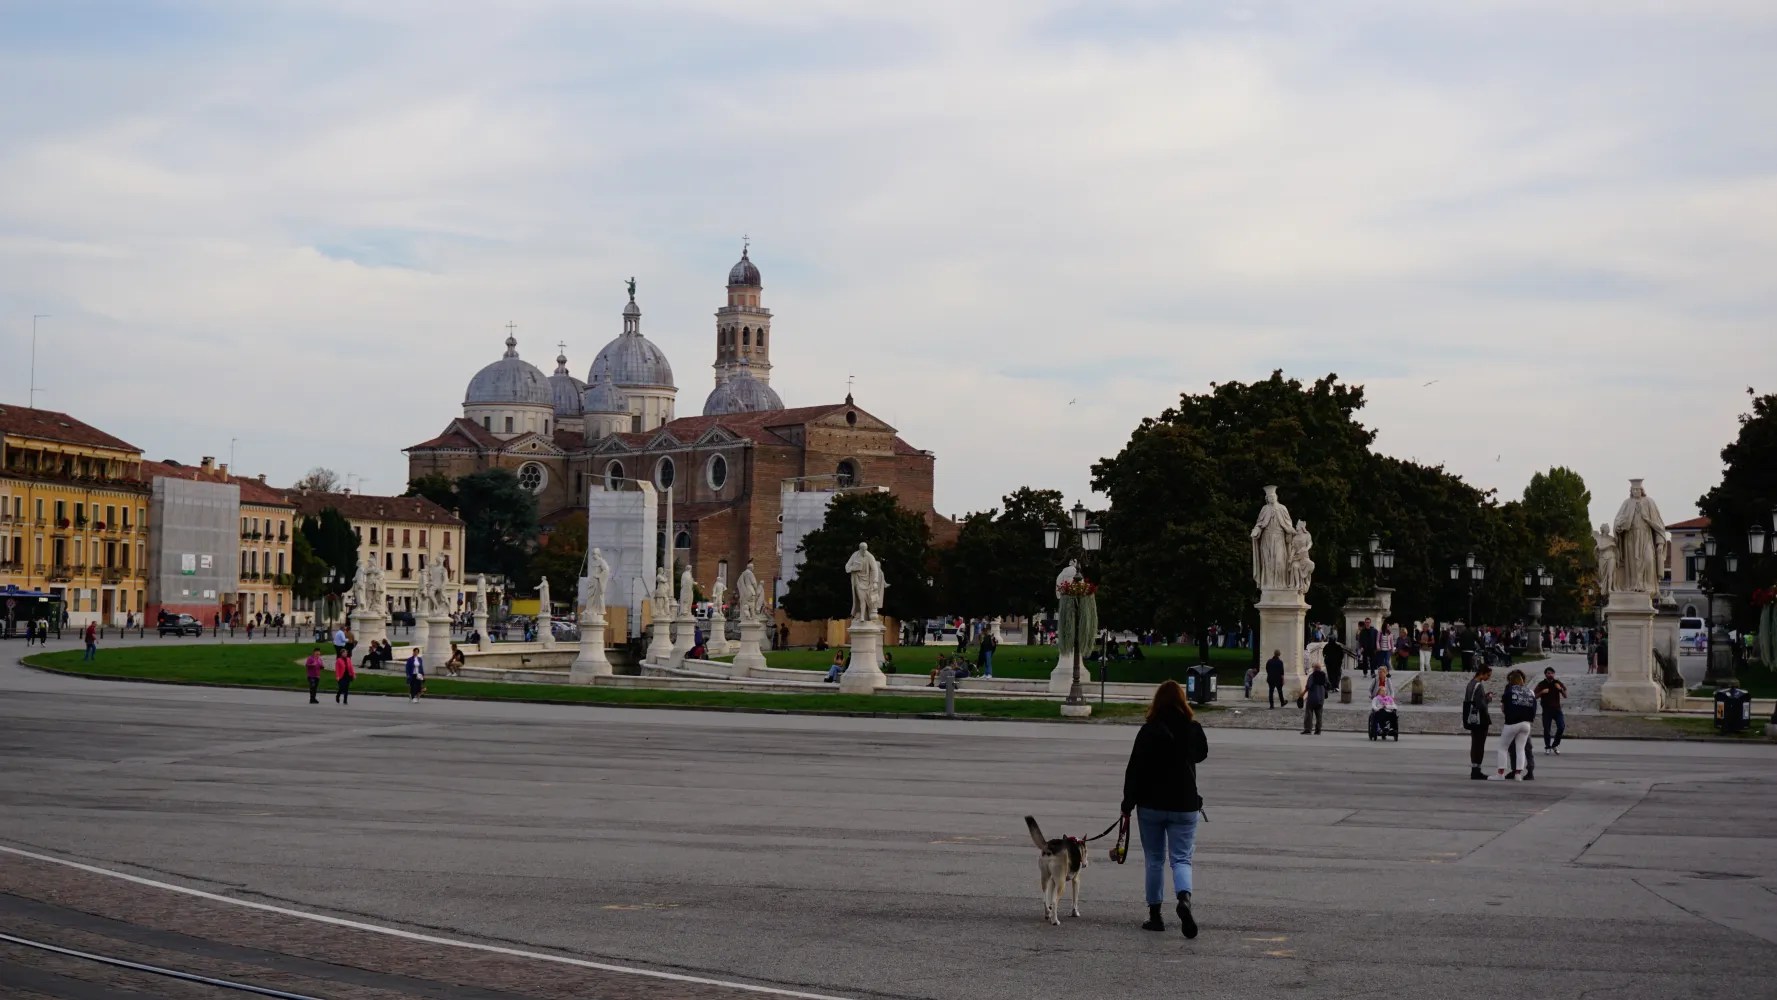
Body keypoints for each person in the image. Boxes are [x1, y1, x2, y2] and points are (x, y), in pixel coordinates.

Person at [1120, 679, 1209, 938]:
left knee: (1155, 859)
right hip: (1185, 803)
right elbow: (1202, 754)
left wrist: (1128, 802)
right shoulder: (1192, 728)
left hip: (1151, 804)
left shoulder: (1148, 731)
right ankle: (1184, 899)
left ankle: (1155, 915)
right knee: (1181, 858)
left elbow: (1134, 769)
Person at [1497, 669, 1536, 779]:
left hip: (1512, 723)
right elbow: (1533, 707)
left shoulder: (1509, 691)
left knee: (1503, 747)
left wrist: (1509, 714)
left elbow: (1503, 707)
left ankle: (1501, 773)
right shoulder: (1530, 691)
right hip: (1526, 723)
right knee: (1522, 749)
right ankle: (1519, 774)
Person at [1463, 664, 1494, 779]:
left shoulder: (1470, 684)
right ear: (1482, 673)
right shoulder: (1479, 685)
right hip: (1481, 719)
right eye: (1488, 675)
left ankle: (1474, 768)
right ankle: (1477, 770)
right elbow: (1481, 704)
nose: (1488, 678)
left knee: (1474, 743)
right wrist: (1488, 698)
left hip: (1471, 719)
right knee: (1480, 745)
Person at [1534, 667, 1567, 753]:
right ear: (1545, 674)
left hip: (1557, 709)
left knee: (1561, 726)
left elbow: (1565, 695)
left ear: (1554, 674)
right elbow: (1534, 696)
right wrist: (1542, 692)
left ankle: (1555, 745)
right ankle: (1547, 747)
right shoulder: (1541, 684)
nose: (1550, 675)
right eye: (1548, 673)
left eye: (1552, 673)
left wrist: (1560, 689)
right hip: (1547, 710)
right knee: (1547, 729)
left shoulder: (1557, 682)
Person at [1301, 661, 1329, 735]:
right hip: (1321, 698)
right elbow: (1328, 685)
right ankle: (1318, 730)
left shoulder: (1312, 676)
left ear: (1314, 668)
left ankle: (1308, 729)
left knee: (1309, 713)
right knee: (1319, 715)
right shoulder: (1324, 676)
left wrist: (1302, 694)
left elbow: (1308, 686)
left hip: (1312, 697)